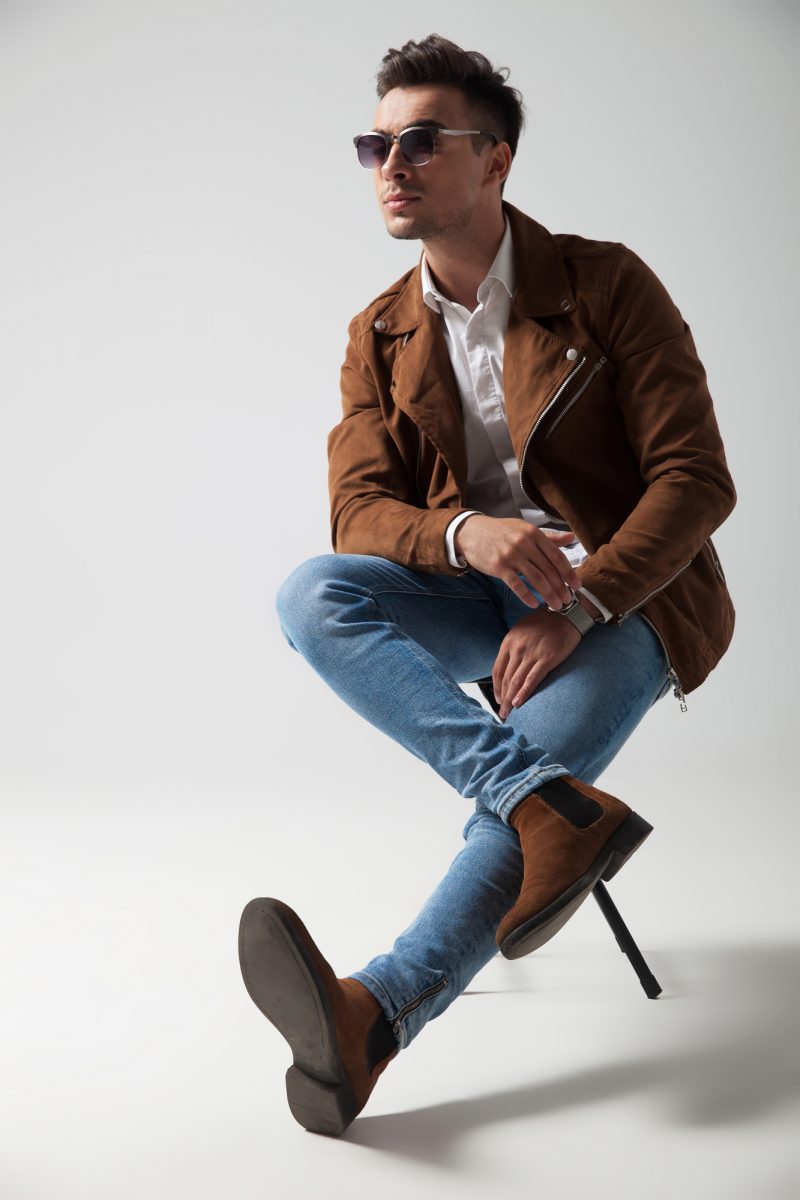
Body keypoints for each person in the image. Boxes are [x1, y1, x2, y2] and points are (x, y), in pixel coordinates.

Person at [238, 34, 736, 1138]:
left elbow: (696, 478)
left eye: (420, 141)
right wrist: (463, 534)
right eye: (374, 143)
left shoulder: (603, 285)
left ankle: (368, 1020)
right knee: (310, 592)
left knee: (506, 818)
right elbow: (356, 513)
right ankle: (543, 799)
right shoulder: (380, 331)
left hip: (627, 597)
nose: (389, 164)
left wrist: (584, 600)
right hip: (474, 593)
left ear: (495, 161)